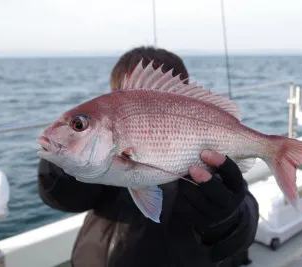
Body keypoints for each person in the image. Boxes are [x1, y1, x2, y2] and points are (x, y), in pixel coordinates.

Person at [37, 46, 259, 267]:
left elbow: (245, 224)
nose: (145, 101)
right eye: (127, 95)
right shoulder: (97, 165)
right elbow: (60, 197)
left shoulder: (213, 170)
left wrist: (227, 218)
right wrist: (64, 165)